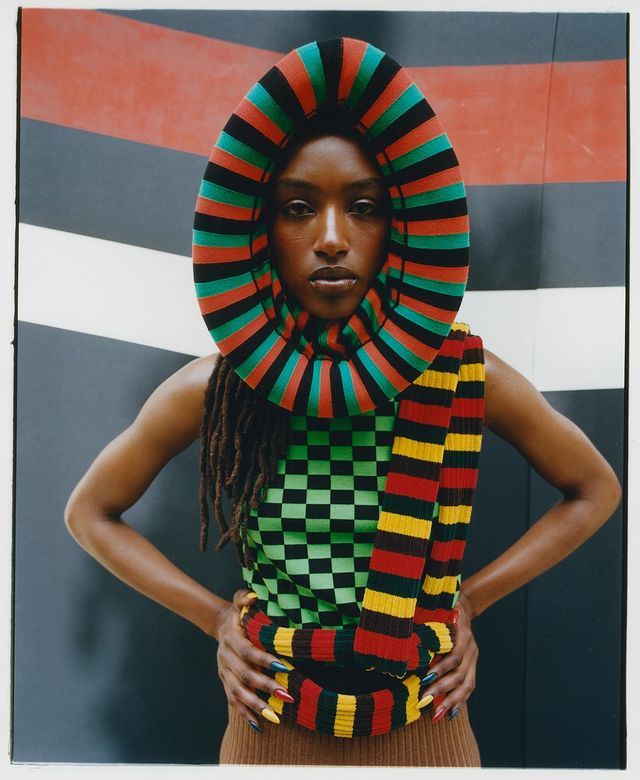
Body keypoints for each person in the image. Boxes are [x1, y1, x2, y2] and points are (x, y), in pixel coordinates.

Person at [64, 38, 621, 767]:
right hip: (272, 731)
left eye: (362, 207)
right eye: (298, 208)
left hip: (426, 730)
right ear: (261, 230)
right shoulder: (223, 388)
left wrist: (471, 602)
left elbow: (594, 488)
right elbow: (90, 512)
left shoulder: (459, 371)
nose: (331, 238)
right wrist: (215, 621)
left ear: (399, 226)